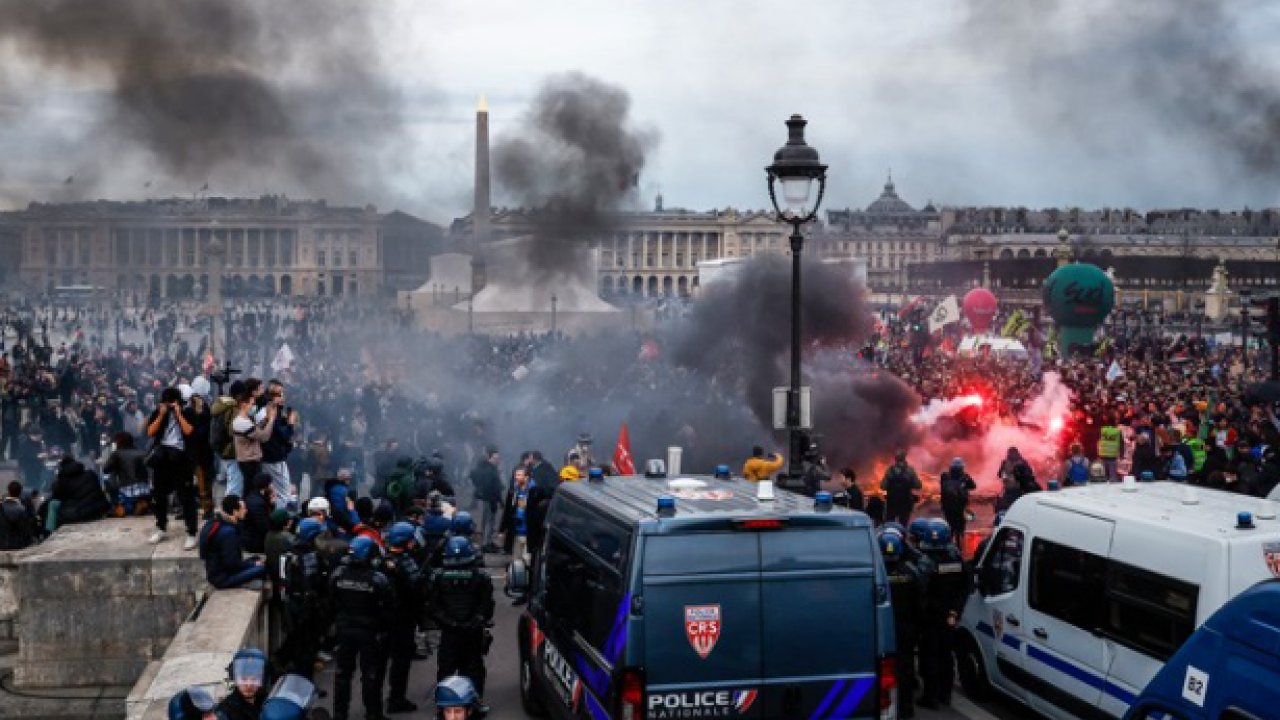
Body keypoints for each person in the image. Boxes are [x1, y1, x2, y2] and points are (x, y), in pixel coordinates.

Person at [329, 535, 395, 720]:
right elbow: (389, 606)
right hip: (370, 631)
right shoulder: (378, 579)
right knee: (370, 676)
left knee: (342, 674)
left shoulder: (338, 574)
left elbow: (332, 601)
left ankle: (340, 714)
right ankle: (373, 714)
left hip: (345, 629)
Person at [428, 537, 495, 715]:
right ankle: (475, 704)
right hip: (472, 631)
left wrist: (449, 623)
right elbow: (487, 604)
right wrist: (475, 621)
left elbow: (433, 606)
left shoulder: (438, 576)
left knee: (446, 668)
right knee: (473, 667)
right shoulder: (481, 577)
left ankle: (444, 705)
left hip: (449, 631)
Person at [916, 519, 968, 710]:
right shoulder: (956, 558)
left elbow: (920, 591)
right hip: (950, 616)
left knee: (930, 656)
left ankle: (931, 697)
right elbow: (965, 586)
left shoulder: (925, 561)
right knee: (946, 656)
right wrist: (955, 610)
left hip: (930, 617)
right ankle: (945, 695)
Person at [879, 530, 925, 720]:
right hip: (906, 629)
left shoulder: (876, 574)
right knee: (905, 672)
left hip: (882, 630)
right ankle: (906, 710)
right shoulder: (910, 573)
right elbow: (920, 604)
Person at [146, 386, 198, 549]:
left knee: (186, 497)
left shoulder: (188, 412)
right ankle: (161, 526)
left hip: (181, 459)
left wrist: (178, 413)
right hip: (162, 459)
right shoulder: (159, 412)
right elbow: (150, 432)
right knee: (159, 495)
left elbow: (189, 431)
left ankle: (192, 532)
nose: (169, 406)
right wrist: (162, 415)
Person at [383, 522, 427, 714]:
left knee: (379, 663)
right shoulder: (406, 563)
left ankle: (376, 704)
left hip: (381, 620)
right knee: (401, 662)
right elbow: (418, 590)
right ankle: (396, 699)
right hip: (402, 619)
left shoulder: (382, 561)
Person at [280, 518, 330, 681]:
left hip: (290, 603)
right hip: (306, 607)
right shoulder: (311, 557)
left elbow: (282, 579)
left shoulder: (288, 552)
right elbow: (314, 583)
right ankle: (305, 686)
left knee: (297, 646)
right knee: (307, 649)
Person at [199, 494, 266, 590]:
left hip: (218, 573)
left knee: (256, 558)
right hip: (223, 579)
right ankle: (243, 583)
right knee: (263, 568)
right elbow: (232, 565)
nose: (246, 511)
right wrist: (253, 564)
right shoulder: (228, 532)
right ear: (235, 512)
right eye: (243, 508)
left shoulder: (217, 522)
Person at [48, 456, 109, 527]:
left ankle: (49, 531)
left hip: (80, 515)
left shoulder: (63, 482)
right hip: (100, 510)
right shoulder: (91, 474)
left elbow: (56, 497)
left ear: (62, 467)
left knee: (53, 504)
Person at [468, 448, 503, 554]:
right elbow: (491, 486)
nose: (498, 460)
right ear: (489, 458)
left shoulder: (490, 468)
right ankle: (486, 544)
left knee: (488, 520)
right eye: (495, 458)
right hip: (490, 498)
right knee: (489, 521)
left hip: (489, 498)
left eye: (498, 458)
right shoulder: (489, 469)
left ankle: (488, 542)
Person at [218, 648, 268, 720]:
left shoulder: (268, 702)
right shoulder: (224, 709)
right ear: (235, 678)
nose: (249, 684)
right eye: (243, 679)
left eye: (254, 679)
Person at [939, 458, 976, 550]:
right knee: (960, 528)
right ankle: (960, 548)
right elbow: (973, 486)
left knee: (950, 527)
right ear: (961, 467)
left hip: (947, 507)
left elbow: (942, 489)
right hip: (961, 507)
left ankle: (948, 546)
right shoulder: (964, 477)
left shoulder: (945, 476)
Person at [881, 451, 921, 526]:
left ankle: (891, 536)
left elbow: (882, 486)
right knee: (903, 524)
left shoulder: (890, 470)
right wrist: (909, 484)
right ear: (904, 458)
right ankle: (903, 536)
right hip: (905, 503)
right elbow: (918, 485)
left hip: (892, 503)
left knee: (890, 524)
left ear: (895, 459)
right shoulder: (910, 470)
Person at [241, 474, 275, 555]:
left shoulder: (251, 497)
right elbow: (265, 527)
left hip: (250, 539)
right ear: (265, 487)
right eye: (270, 484)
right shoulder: (258, 503)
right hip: (256, 543)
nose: (272, 486)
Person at [0, 481, 36, 550]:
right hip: (16, 545)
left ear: (8, 491)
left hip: (2, 543)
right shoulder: (21, 510)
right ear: (20, 493)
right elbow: (25, 530)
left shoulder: (1, 506)